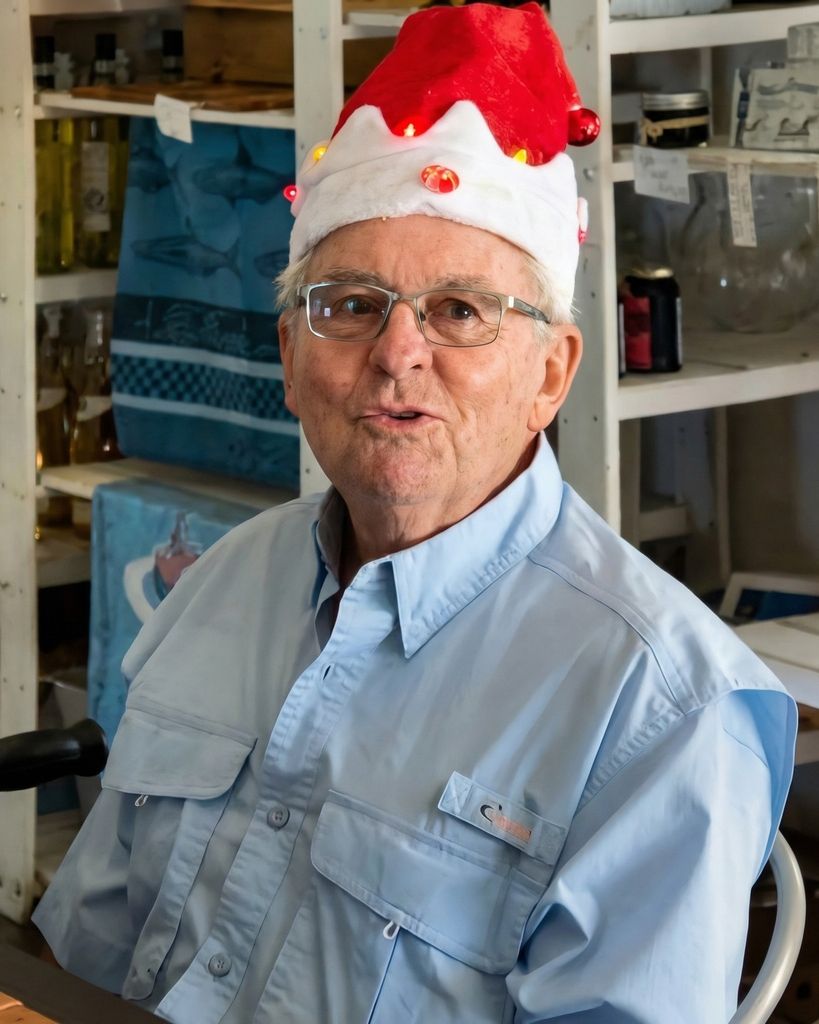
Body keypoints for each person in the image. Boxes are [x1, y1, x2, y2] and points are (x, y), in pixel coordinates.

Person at [34, 4, 796, 1022]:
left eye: (460, 311)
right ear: (290, 359)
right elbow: (82, 962)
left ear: (551, 374)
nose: (398, 355)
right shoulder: (224, 580)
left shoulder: (663, 710)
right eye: (350, 306)